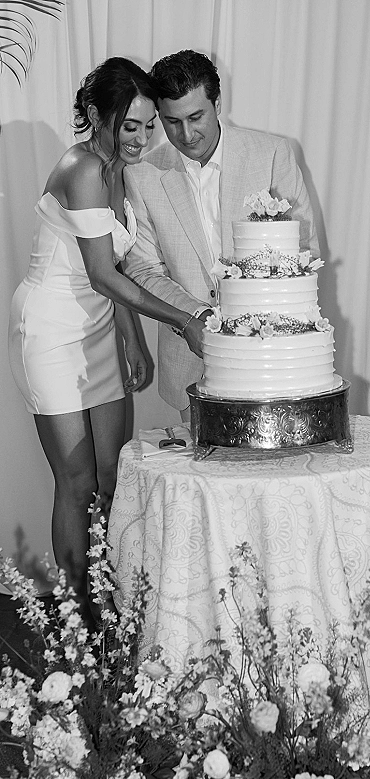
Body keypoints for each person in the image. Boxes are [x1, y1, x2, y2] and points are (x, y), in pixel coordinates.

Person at [8, 57, 204, 629]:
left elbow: (113, 269)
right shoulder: (83, 168)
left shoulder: (122, 168)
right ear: (95, 116)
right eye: (130, 126)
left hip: (97, 325)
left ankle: (112, 598)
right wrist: (182, 321)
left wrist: (133, 342)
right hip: (50, 332)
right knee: (77, 482)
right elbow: (102, 274)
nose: (143, 139)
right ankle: (78, 617)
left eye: (148, 125)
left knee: (114, 474)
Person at [123, 49, 319, 418]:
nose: (186, 133)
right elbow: (143, 269)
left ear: (217, 102)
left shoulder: (271, 154)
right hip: (191, 363)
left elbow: (302, 248)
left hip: (275, 354)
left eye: (196, 117)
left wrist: (253, 322)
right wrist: (196, 320)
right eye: (172, 121)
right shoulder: (142, 174)